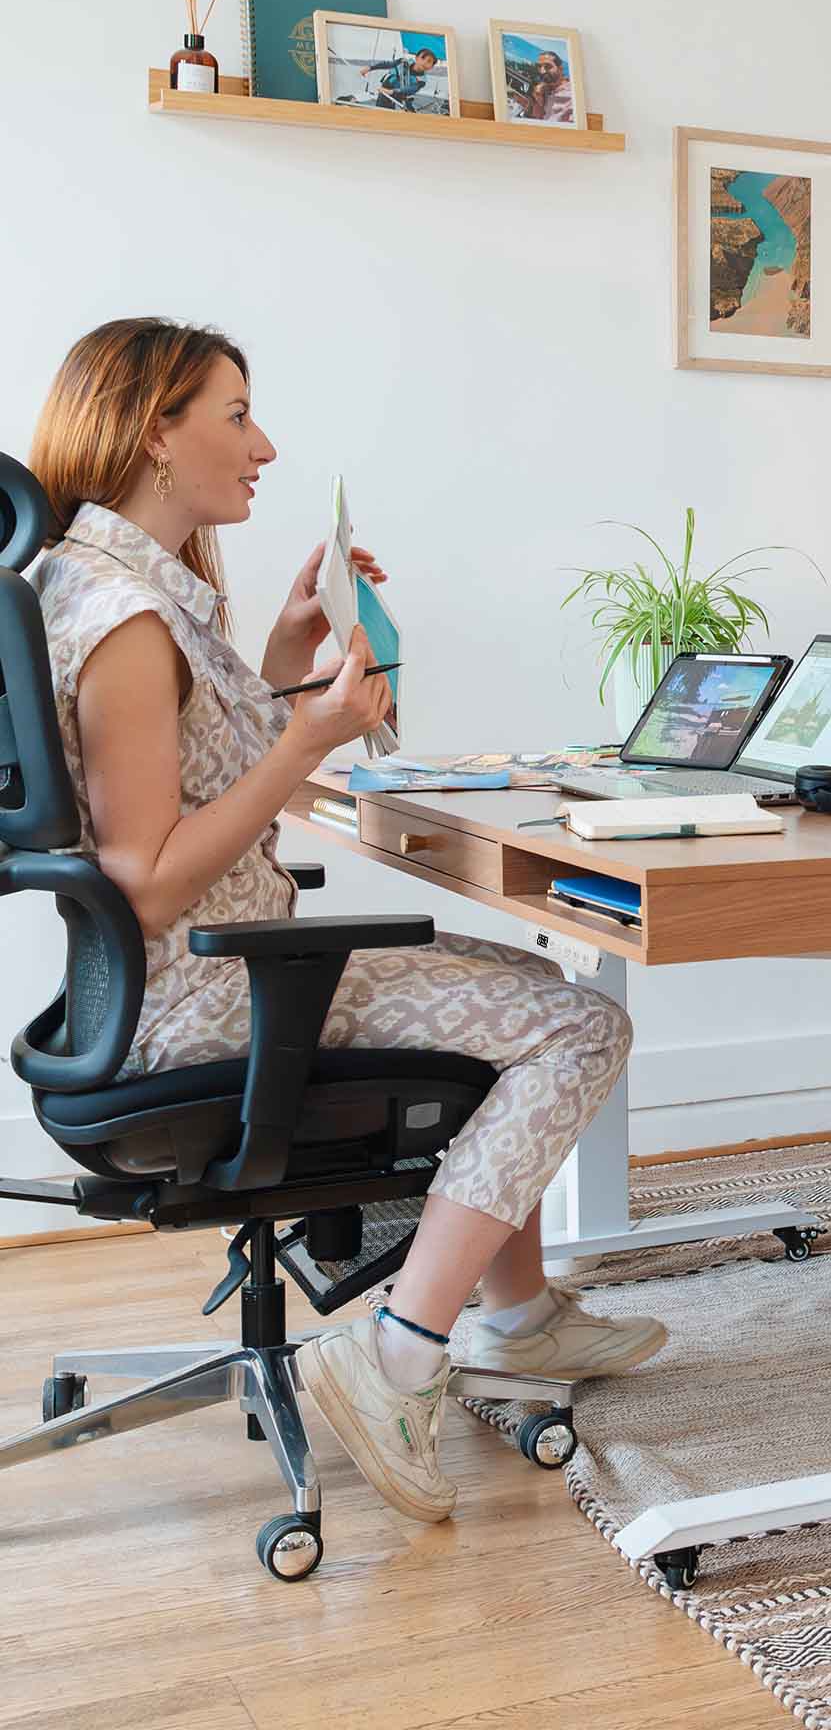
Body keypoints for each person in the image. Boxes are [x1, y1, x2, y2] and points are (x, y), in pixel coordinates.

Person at [27, 317, 667, 1524]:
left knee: (532, 995)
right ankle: (401, 1353)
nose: (262, 445)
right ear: (156, 432)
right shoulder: (125, 617)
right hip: (203, 991)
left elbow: (193, 782)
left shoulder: (101, 582)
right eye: (235, 414)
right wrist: (309, 740)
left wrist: (280, 662)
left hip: (171, 982)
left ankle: (518, 1317)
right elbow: (148, 878)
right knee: (580, 1027)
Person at [357, 45, 439, 110]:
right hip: (385, 92)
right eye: (423, 58)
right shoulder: (402, 62)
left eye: (429, 62)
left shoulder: (422, 81)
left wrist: (392, 92)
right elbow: (387, 64)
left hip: (400, 97)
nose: (424, 62)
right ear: (416, 58)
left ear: (431, 67)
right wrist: (369, 68)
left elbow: (410, 89)